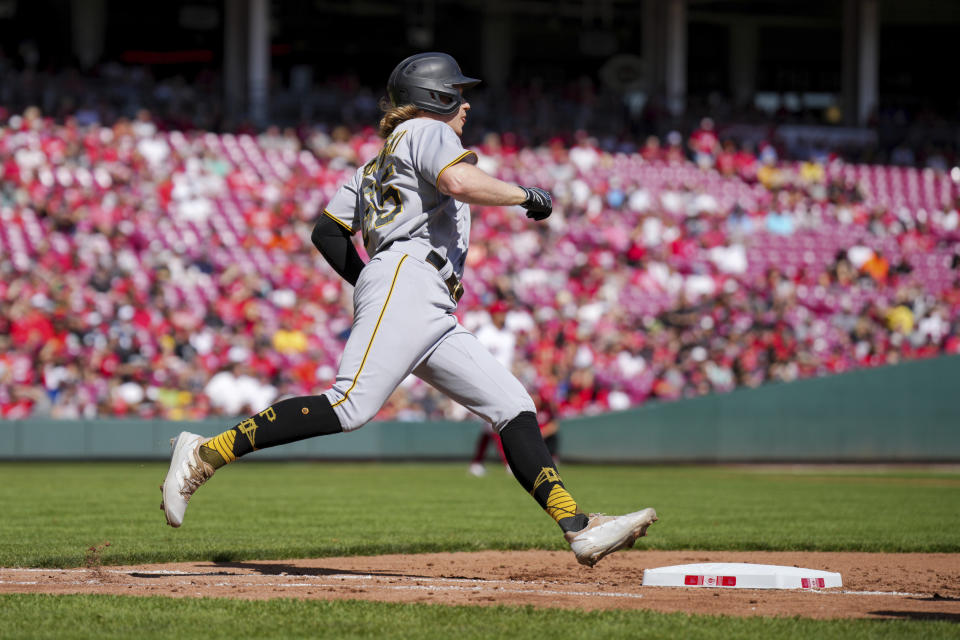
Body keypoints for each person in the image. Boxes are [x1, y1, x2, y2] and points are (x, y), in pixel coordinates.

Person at [160, 52, 656, 567]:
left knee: (512, 403)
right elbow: (458, 183)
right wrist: (525, 195)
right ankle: (205, 453)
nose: (465, 104)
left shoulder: (371, 167)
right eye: (457, 94)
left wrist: (371, 281)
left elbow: (327, 232)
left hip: (423, 295)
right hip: (411, 277)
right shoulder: (429, 130)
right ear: (434, 97)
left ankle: (577, 525)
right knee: (349, 404)